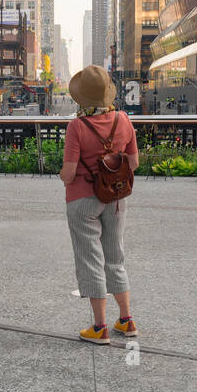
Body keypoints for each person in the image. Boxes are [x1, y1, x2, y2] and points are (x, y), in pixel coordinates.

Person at [60, 65, 139, 343]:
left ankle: (99, 327)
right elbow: (133, 163)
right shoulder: (123, 119)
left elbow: (69, 173)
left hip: (83, 200)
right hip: (116, 198)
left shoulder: (77, 126)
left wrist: (62, 176)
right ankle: (127, 320)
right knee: (114, 256)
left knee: (90, 260)